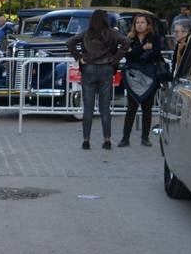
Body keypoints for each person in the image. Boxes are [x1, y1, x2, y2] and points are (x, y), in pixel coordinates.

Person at [66, 9, 128, 150]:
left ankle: (86, 140)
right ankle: (107, 140)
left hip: (88, 69)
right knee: (104, 107)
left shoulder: (86, 33)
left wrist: (79, 57)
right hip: (106, 69)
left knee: (88, 107)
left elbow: (69, 42)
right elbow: (126, 42)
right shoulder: (112, 32)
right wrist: (115, 59)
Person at [119, 14, 164, 147]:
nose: (140, 24)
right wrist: (143, 49)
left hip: (149, 77)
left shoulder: (154, 38)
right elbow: (128, 56)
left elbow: (156, 54)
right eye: (137, 22)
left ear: (148, 24)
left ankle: (145, 138)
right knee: (131, 108)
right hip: (133, 78)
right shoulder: (130, 38)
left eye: (142, 22)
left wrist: (137, 53)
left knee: (147, 108)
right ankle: (125, 138)